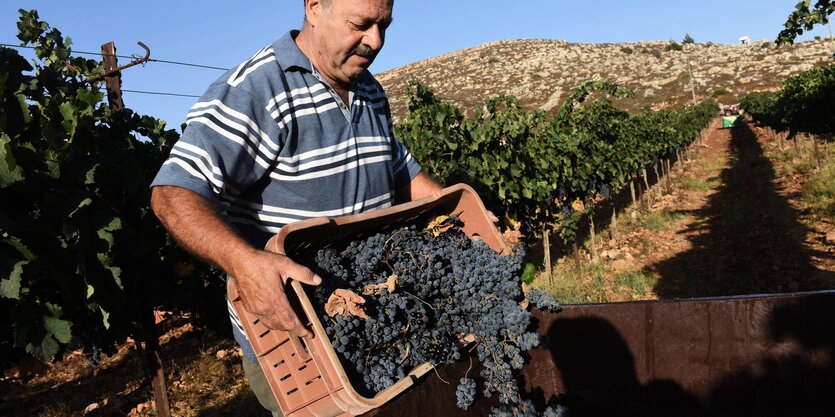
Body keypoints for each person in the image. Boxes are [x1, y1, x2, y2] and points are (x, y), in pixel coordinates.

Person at [150, 0, 443, 414]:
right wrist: (244, 262)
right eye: (361, 24)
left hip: (373, 315)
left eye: (384, 25)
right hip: (295, 335)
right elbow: (173, 192)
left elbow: (399, 169)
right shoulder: (259, 88)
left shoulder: (369, 88)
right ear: (314, 7)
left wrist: (453, 213)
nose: (375, 41)